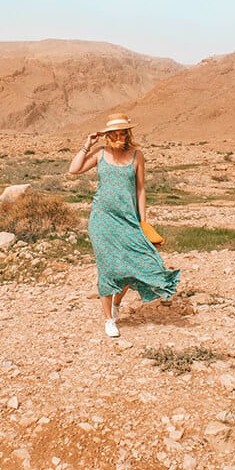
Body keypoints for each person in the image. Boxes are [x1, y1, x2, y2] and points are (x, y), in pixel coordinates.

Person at [68, 113, 180, 338]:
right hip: (102, 220)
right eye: (114, 133)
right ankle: (109, 319)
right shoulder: (100, 154)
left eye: (122, 133)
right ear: (107, 135)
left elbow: (140, 189)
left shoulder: (137, 156)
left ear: (128, 134)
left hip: (128, 220)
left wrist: (143, 221)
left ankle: (116, 303)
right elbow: (74, 169)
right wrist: (86, 145)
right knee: (108, 268)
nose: (119, 137)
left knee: (130, 267)